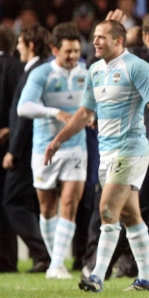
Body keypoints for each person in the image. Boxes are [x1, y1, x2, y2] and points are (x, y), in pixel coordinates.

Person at [44, 20, 149, 292]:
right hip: (106, 152)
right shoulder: (94, 70)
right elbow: (84, 114)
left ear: (119, 41)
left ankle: (96, 275)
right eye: (94, 37)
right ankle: (147, 277)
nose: (94, 41)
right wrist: (57, 140)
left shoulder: (137, 67)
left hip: (131, 149)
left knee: (107, 210)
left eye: (101, 37)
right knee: (131, 217)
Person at [17, 22, 87, 279]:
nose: (73, 56)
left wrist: (93, 116)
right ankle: (55, 260)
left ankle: (56, 264)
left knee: (69, 202)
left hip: (76, 148)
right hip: (44, 148)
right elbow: (23, 107)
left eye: (77, 51)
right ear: (55, 49)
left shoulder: (86, 71)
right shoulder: (42, 73)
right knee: (47, 209)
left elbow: (96, 102)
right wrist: (53, 112)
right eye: (68, 51)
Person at [2, 24, 52, 274]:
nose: (17, 48)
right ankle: (43, 255)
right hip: (34, 147)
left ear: (31, 45)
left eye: (21, 43)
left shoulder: (35, 71)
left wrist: (13, 150)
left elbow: (24, 116)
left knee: (12, 201)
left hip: (26, 149)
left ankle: (43, 253)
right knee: (31, 203)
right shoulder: (34, 69)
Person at [0, 24, 24, 273]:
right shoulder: (18, 68)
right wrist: (9, 129)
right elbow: (21, 108)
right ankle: (8, 260)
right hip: (12, 147)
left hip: (10, 147)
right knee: (7, 205)